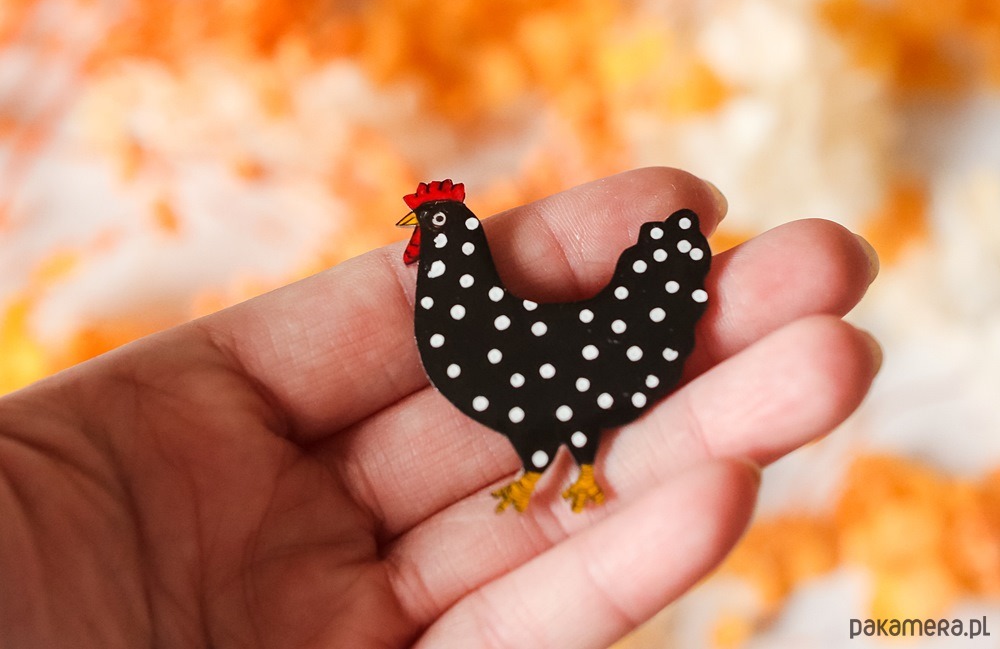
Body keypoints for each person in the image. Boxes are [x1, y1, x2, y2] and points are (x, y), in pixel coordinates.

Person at [0, 168, 880, 648]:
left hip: (591, 365)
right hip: (567, 380)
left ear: (449, 246)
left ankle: (570, 469)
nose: (417, 240)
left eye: (432, 232)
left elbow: (553, 379)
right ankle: (549, 471)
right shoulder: (463, 319)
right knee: (546, 399)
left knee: (567, 386)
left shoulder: (479, 321)